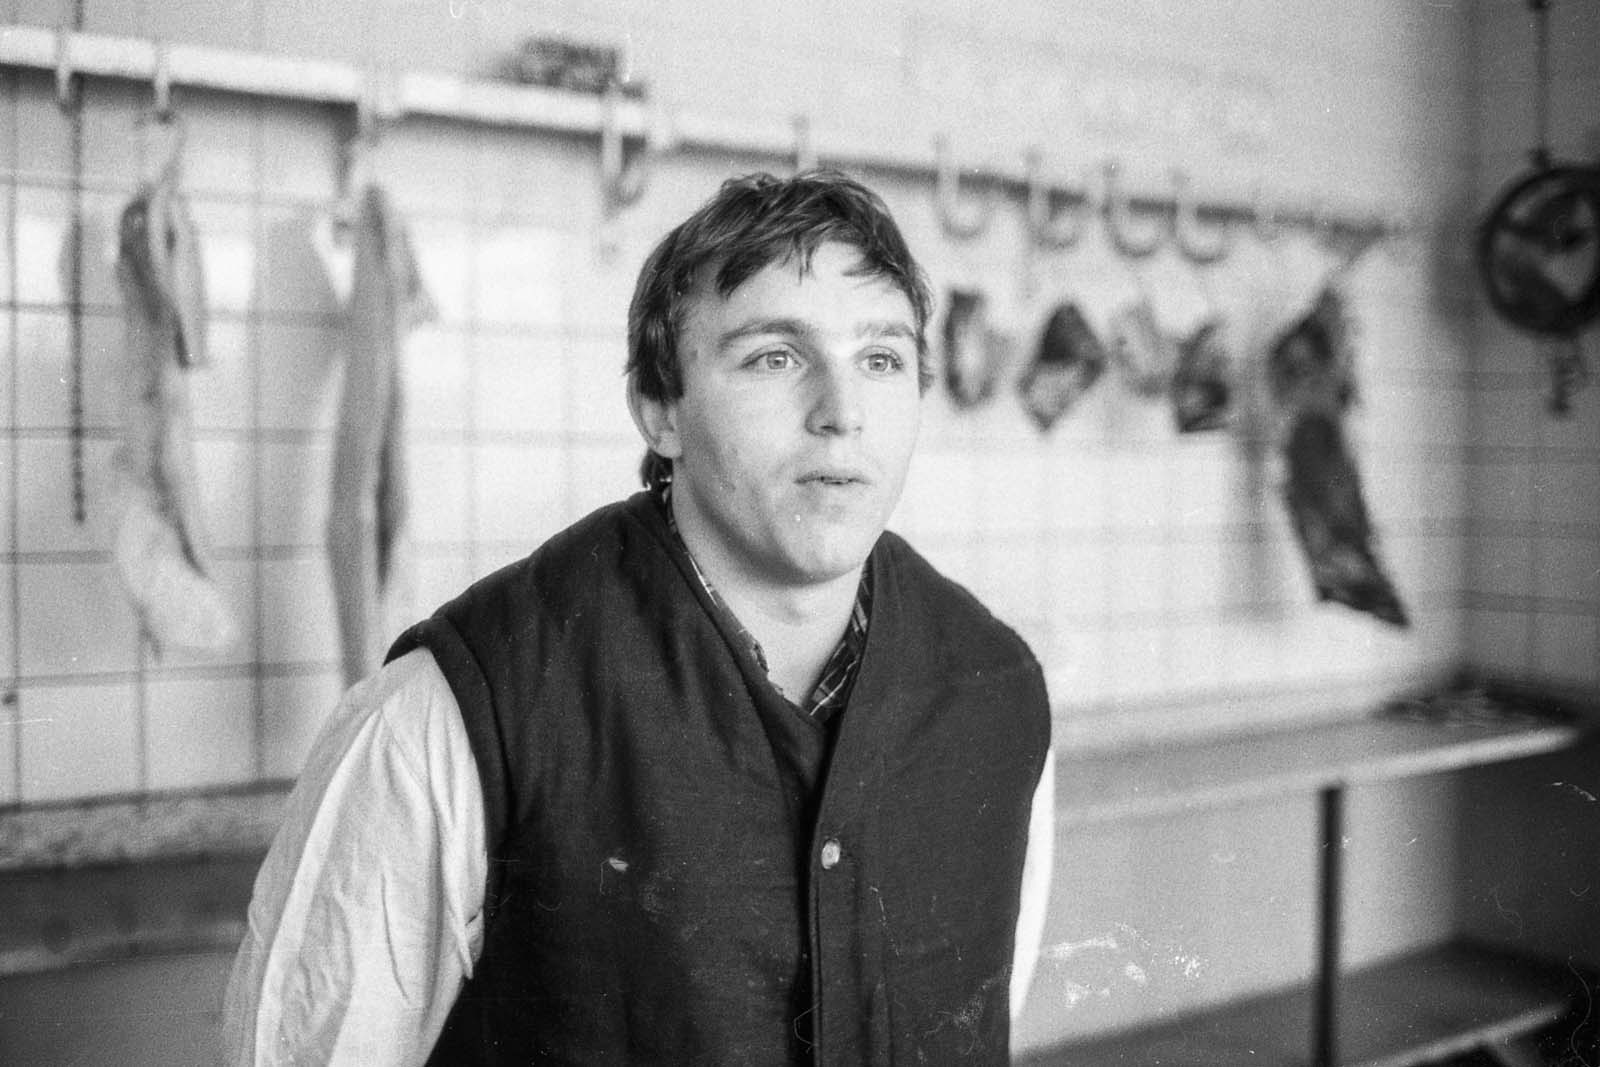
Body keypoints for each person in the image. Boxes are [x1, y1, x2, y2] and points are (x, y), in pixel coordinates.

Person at [222, 169, 1057, 1065]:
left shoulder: (996, 693)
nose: (842, 413)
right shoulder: (456, 713)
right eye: (776, 357)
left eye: (881, 359)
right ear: (660, 408)